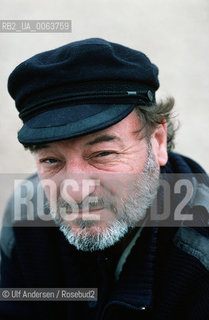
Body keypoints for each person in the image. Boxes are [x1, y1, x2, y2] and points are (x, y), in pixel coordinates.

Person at [0, 38, 208, 320]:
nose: (75, 192)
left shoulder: (200, 258)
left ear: (158, 142)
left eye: (102, 154)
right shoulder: (25, 221)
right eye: (52, 160)